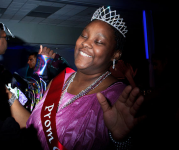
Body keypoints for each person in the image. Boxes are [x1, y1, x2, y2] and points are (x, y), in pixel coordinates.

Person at [25, 6, 145, 150]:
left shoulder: (118, 97)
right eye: (84, 35)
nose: (86, 43)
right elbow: (33, 127)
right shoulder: (58, 81)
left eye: (99, 42)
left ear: (115, 55)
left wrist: (121, 140)